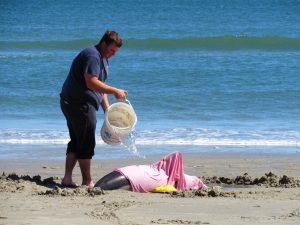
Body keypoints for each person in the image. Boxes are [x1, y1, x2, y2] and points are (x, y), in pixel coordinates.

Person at [60, 30, 127, 188]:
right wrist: (116, 91)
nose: (113, 54)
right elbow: (91, 83)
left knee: (77, 140)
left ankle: (67, 179)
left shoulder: (103, 58)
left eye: (115, 52)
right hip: (79, 104)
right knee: (86, 143)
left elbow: (100, 87)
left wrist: (107, 109)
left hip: (70, 101)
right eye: (111, 50)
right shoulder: (93, 56)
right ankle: (87, 181)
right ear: (103, 43)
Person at [94, 151, 207, 192]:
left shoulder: (189, 180)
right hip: (137, 173)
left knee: (101, 186)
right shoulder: (169, 176)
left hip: (137, 174)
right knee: (103, 185)